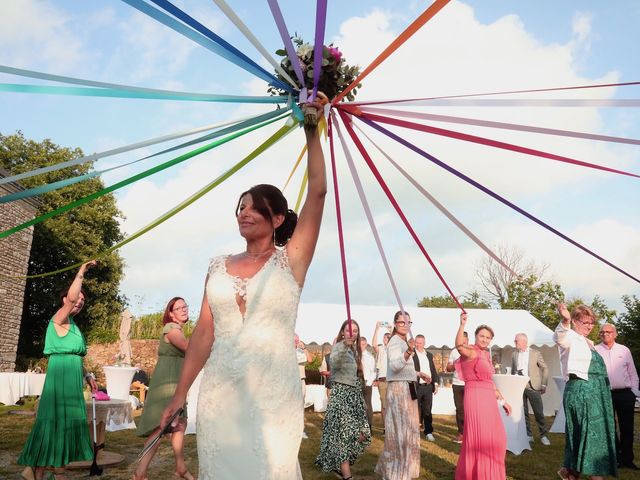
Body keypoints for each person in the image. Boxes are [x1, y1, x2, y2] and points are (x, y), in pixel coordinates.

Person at [160, 100, 326, 479]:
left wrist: (312, 128)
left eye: (253, 207)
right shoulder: (217, 265)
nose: (244, 213)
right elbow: (203, 333)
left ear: (278, 218)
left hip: (274, 393)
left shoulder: (292, 261)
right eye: (240, 208)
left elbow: (318, 191)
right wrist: (179, 394)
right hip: (220, 390)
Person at [18, 261, 99, 480]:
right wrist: (82, 271)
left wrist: (88, 375)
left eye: (83, 301)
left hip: (72, 380)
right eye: (76, 299)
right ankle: (53, 472)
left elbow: (74, 355)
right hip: (60, 380)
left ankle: (38, 470)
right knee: (54, 422)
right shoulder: (59, 319)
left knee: (62, 424)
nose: (79, 303)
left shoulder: (73, 324)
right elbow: (72, 298)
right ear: (65, 299)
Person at [555, 303, 617, 480]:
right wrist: (565, 319)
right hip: (581, 391)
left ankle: (571, 472)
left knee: (590, 434)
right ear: (575, 322)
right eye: (585, 322)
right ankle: (591, 474)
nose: (589, 326)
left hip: (596, 394)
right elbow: (559, 337)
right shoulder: (570, 337)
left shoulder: (589, 343)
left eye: (591, 323)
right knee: (588, 434)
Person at [134, 297, 193, 480]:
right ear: (170, 313)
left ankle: (180, 467)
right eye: (178, 307)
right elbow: (187, 347)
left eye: (185, 306)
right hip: (166, 383)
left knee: (179, 425)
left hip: (176, 380)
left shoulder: (179, 330)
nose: (183, 309)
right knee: (160, 428)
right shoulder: (171, 329)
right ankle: (139, 474)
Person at [454, 313, 512, 480]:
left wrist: (503, 401)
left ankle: (490, 474)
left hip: (488, 399)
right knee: (480, 438)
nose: (485, 339)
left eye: (488, 337)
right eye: (482, 336)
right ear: (476, 336)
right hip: (475, 398)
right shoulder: (471, 351)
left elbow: (490, 382)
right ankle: (477, 475)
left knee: (498, 438)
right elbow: (459, 345)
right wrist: (462, 324)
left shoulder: (486, 355)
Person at [315, 320, 371, 479]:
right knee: (344, 434)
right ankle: (346, 473)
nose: (352, 333)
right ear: (342, 332)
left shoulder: (354, 350)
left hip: (353, 394)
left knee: (363, 434)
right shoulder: (340, 346)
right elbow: (334, 362)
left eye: (355, 330)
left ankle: (340, 463)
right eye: (348, 330)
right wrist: (345, 344)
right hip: (341, 394)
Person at [375, 311, 421, 480]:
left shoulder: (402, 342)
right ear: (395, 324)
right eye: (401, 322)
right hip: (399, 391)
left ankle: (402, 470)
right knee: (401, 433)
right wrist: (408, 352)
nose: (405, 325)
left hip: (407, 389)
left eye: (408, 322)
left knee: (406, 431)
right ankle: (396, 473)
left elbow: (403, 370)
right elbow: (394, 366)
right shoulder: (395, 342)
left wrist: (418, 373)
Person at [595, 322, 639, 470]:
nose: (605, 334)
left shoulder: (624, 350)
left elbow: (633, 373)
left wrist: (634, 393)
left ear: (615, 334)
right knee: (609, 428)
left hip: (625, 394)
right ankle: (615, 458)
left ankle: (627, 460)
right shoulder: (595, 350)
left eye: (608, 331)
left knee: (627, 428)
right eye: (602, 332)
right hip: (604, 394)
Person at [511, 332, 551, 446]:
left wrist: (544, 384)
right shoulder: (514, 354)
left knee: (538, 412)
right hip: (519, 386)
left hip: (533, 386)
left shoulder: (535, 353)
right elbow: (513, 370)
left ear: (524, 341)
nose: (514, 343)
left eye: (516, 341)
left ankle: (544, 435)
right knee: (523, 413)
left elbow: (545, 368)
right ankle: (528, 435)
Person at [412, 334, 438, 441]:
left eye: (420, 343)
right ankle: (412, 432)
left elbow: (433, 370)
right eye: (416, 342)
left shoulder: (429, 355)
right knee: (413, 410)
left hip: (428, 387)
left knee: (427, 410)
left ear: (424, 343)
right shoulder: (412, 354)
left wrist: (435, 384)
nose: (418, 345)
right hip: (416, 385)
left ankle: (428, 432)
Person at [446, 331, 467, 443]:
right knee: (460, 410)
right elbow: (448, 368)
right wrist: (456, 363)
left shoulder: (471, 350)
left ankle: (470, 433)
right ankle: (461, 433)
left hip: (469, 384)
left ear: (467, 340)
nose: (462, 342)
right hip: (457, 384)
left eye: (464, 340)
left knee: (469, 409)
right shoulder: (454, 351)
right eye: (460, 340)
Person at [373, 322, 391, 430]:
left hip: (393, 380)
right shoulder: (380, 348)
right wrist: (377, 329)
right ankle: (385, 428)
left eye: (388, 337)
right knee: (384, 405)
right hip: (383, 380)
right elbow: (374, 344)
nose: (386, 339)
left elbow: (400, 341)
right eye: (385, 337)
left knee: (393, 405)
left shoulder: (394, 348)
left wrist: (391, 330)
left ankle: (391, 427)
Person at [295, 333, 313, 439]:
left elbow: (310, 360)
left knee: (300, 406)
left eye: (296, 340)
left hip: (300, 381)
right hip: (288, 381)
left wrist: (304, 348)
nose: (295, 342)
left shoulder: (301, 351)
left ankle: (300, 430)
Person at [360, 335, 376, 430]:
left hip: (366, 382)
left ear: (366, 345)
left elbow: (374, 371)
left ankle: (369, 426)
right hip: (356, 382)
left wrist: (369, 382)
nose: (362, 346)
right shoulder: (353, 355)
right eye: (360, 344)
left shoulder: (370, 357)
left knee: (367, 405)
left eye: (363, 344)